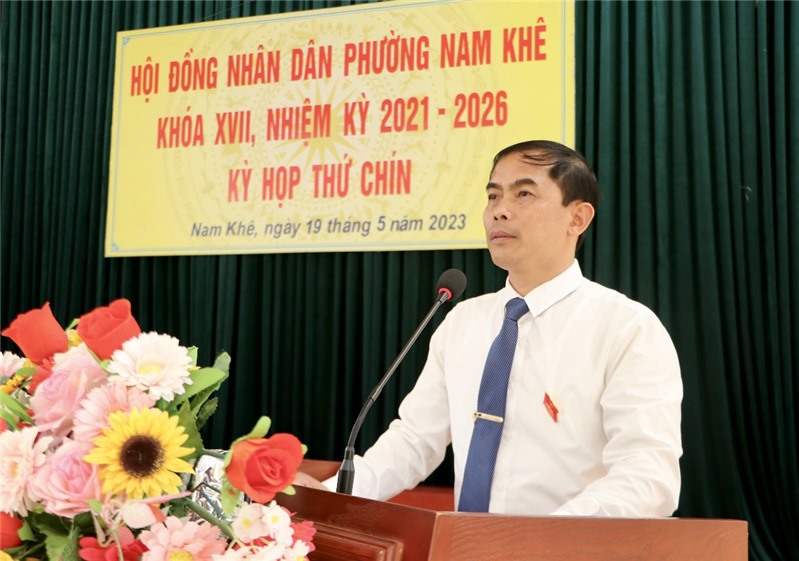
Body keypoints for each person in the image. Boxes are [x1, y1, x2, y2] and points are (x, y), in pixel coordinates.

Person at [294, 140, 682, 517]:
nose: (500, 211)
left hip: (568, 548)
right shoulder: (463, 321)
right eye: (493, 196)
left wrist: (542, 541)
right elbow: (415, 440)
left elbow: (648, 475)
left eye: (523, 194)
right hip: (465, 546)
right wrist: (328, 496)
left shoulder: (625, 328)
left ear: (577, 218)